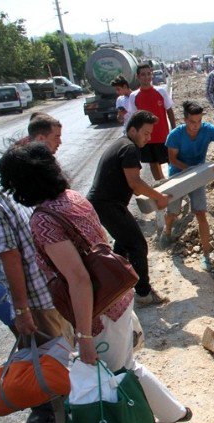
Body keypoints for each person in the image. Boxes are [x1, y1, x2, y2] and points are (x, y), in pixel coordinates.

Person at [0, 142, 192, 423]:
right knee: (123, 365)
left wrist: (84, 335)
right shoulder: (72, 197)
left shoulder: (43, 220)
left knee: (112, 374)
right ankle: (172, 411)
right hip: (116, 294)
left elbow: (78, 279)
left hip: (100, 311)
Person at [0, 181, 72, 423]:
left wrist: (21, 310)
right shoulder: (6, 194)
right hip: (49, 290)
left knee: (54, 368)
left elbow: (9, 257)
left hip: (35, 301)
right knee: (61, 358)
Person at [87, 111, 171, 306]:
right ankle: (143, 293)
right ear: (132, 130)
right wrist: (159, 197)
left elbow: (128, 182)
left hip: (104, 204)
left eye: (150, 134)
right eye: (145, 133)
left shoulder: (122, 144)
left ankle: (117, 285)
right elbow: (135, 183)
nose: (148, 138)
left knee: (123, 244)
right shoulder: (130, 148)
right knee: (138, 245)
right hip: (108, 205)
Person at [161, 101, 214, 270]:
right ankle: (167, 231)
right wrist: (190, 169)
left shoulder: (207, 129)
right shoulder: (174, 135)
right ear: (185, 120)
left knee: (201, 213)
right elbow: (172, 159)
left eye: (199, 121)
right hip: (178, 175)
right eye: (192, 122)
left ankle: (206, 255)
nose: (196, 126)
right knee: (173, 212)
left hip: (198, 176)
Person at [127, 63, 176, 181]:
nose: (146, 77)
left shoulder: (161, 92)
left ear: (152, 75)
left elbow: (169, 111)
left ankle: (177, 188)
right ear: (138, 77)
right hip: (146, 139)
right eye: (143, 75)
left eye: (149, 74)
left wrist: (174, 130)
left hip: (164, 136)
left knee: (172, 162)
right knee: (153, 164)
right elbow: (133, 118)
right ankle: (163, 188)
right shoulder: (134, 96)